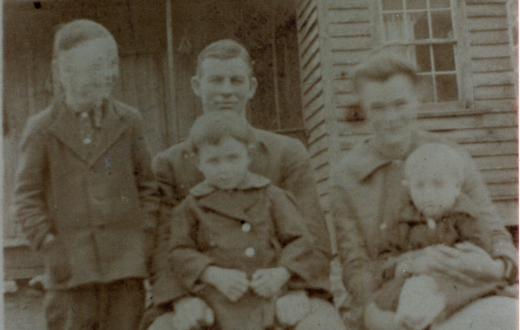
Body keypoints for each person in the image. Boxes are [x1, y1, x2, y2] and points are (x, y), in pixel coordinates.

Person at [145, 39, 343, 330]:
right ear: (197, 85)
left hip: (280, 289)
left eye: (235, 80)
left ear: (250, 87)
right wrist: (181, 301)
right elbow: (164, 246)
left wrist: (298, 289)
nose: (226, 90)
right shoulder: (171, 163)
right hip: (203, 293)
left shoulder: (286, 152)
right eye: (215, 80)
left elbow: (312, 234)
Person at [330, 50, 518, 330]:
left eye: (400, 103)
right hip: (391, 304)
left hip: (464, 294)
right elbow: (354, 268)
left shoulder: (451, 156)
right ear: (363, 109)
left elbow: (493, 230)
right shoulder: (347, 177)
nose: (391, 116)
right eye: (378, 107)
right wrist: (378, 310)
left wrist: (497, 267)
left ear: (417, 101)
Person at [14, 20, 159, 330]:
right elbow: (26, 198)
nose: (108, 74)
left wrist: (143, 241)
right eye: (96, 66)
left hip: (125, 275)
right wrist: (51, 247)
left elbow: (148, 188)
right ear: (62, 71)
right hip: (70, 277)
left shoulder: (129, 121)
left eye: (112, 63)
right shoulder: (41, 129)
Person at [163, 111, 329, 330]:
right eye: (213, 161)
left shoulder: (272, 195)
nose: (224, 169)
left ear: (249, 155)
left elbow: (301, 240)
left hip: (269, 293)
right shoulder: (190, 206)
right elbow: (178, 251)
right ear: (198, 162)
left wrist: (282, 273)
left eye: (233, 158)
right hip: (217, 296)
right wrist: (210, 273)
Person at [373, 143, 514, 330]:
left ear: (456, 188)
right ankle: (414, 318)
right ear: (409, 188)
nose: (428, 194)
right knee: (402, 294)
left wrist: (451, 259)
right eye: (420, 186)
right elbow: (386, 260)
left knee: (459, 295)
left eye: (438, 184)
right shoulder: (403, 221)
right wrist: (407, 265)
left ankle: (432, 317)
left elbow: (479, 250)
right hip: (415, 276)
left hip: (456, 276)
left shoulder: (466, 216)